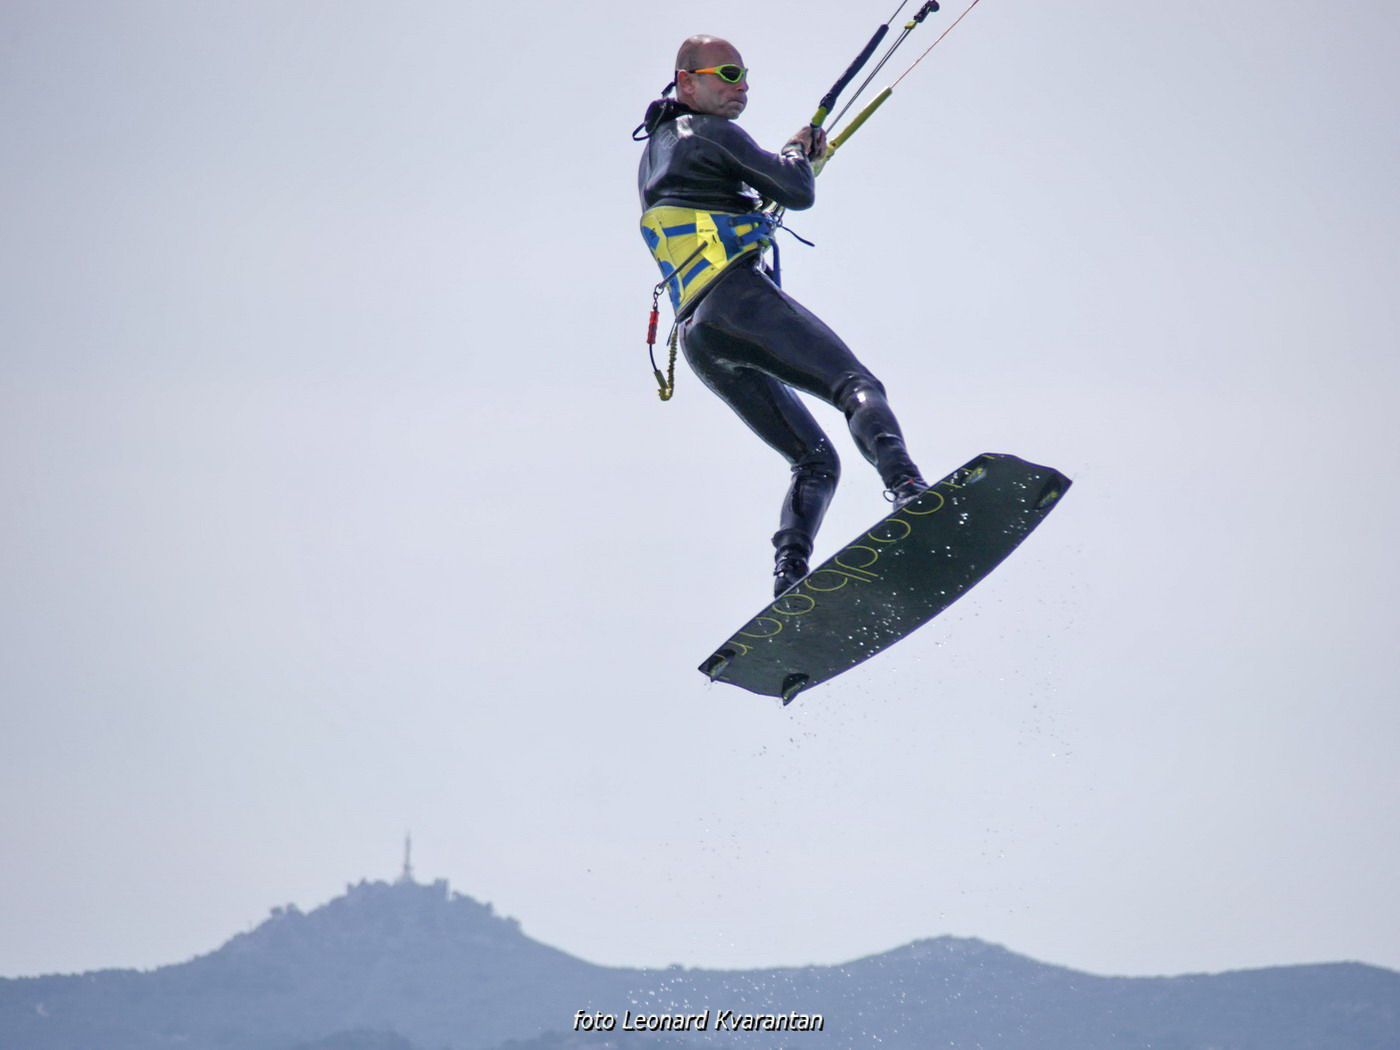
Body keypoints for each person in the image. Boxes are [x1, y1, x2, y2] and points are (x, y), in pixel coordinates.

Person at [637, 35, 928, 597]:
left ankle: (789, 573)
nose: (742, 86)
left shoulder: (657, 151)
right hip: (737, 301)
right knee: (857, 387)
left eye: (745, 75)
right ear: (686, 81)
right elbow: (796, 191)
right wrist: (796, 155)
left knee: (815, 462)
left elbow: (716, 202)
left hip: (700, 337)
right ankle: (909, 487)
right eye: (727, 74)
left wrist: (794, 163)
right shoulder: (712, 131)